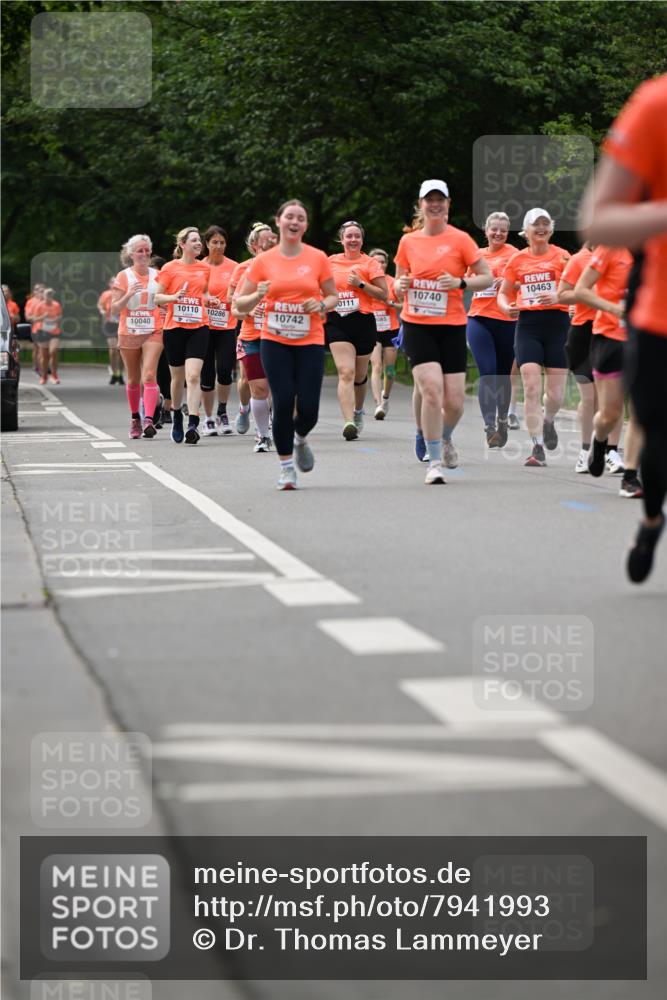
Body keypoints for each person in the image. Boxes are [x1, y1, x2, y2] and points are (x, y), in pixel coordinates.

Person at [580, 73, 667, 582]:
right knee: (656, 439)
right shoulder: (656, 103)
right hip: (659, 314)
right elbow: (597, 219)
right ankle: (652, 516)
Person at [394, 179, 492, 484]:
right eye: (429, 200)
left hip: (451, 326)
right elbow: (397, 285)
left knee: (455, 402)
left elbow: (486, 278)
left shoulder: (461, 240)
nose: (434, 204)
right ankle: (433, 461)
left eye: (440, 200)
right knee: (432, 391)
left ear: (448, 204)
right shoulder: (408, 242)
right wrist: (401, 285)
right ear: (420, 205)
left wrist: (461, 283)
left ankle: (445, 436)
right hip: (418, 324)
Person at [235, 199, 337, 489]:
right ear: (279, 221)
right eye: (289, 216)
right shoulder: (262, 262)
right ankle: (286, 468)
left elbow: (333, 297)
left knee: (308, 408)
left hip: (310, 340)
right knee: (281, 402)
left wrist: (320, 304)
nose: (294, 222)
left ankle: (300, 438)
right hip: (274, 340)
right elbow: (239, 304)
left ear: (305, 225)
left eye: (300, 218)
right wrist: (257, 296)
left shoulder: (317, 258)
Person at [498, 209, 571, 467]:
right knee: (530, 385)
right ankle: (537, 445)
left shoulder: (563, 257)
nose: (540, 228)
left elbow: (576, 291)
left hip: (558, 326)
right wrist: (506, 307)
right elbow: (504, 293)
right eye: (535, 224)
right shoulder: (517, 260)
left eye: (545, 224)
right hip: (528, 326)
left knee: (555, 395)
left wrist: (559, 297)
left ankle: (548, 419)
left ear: (550, 230)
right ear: (526, 231)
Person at [573, 245, 642, 498]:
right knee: (609, 414)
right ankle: (599, 440)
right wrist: (613, 308)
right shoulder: (610, 249)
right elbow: (580, 290)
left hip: (645, 338)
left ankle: (630, 476)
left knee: (640, 409)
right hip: (610, 338)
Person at [559, 243, 624, 474]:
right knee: (590, 397)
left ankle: (612, 451)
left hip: (612, 332)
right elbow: (563, 294)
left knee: (613, 398)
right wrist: (587, 298)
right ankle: (585, 450)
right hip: (583, 333)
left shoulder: (626, 255)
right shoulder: (580, 260)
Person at [155, 227, 218, 445]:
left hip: (199, 327)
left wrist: (209, 300)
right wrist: (174, 297)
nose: (199, 243)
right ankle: (176, 416)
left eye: (199, 240)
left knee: (193, 376)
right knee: (178, 378)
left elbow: (204, 292)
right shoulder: (170, 268)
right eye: (194, 240)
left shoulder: (204, 268)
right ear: (182, 245)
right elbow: (157, 298)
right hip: (174, 329)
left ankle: (193, 422)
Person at [326, 222, 388, 439]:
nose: (352, 240)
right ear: (341, 239)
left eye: (357, 236)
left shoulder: (369, 263)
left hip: (363, 322)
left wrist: (361, 284)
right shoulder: (330, 261)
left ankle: (359, 411)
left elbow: (383, 294)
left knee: (360, 375)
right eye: (348, 236)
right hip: (336, 321)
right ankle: (348, 421)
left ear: (361, 240)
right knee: (346, 372)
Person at [465, 211, 518, 447]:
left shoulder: (515, 255)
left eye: (503, 230)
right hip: (478, 318)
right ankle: (489, 426)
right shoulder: (476, 256)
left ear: (508, 233)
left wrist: (506, 283)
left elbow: (525, 282)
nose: (498, 233)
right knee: (488, 372)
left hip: (507, 319)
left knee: (503, 375)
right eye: (494, 229)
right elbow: (465, 283)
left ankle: (503, 420)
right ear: (486, 231)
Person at [111, 234, 164, 439]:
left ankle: (149, 419)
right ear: (131, 254)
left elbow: (163, 301)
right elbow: (115, 308)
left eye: (146, 250)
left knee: (149, 375)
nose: (144, 254)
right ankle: (135, 419)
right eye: (139, 250)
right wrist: (128, 294)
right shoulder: (123, 276)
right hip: (129, 332)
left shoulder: (158, 275)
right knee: (133, 379)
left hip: (153, 330)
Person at [230, 222, 277, 453]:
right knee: (258, 388)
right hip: (252, 337)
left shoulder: (289, 269)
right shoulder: (246, 272)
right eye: (265, 240)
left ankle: (277, 426)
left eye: (273, 239)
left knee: (278, 388)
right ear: (255, 245)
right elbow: (235, 309)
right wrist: (249, 311)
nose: (270, 244)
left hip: (281, 337)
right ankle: (263, 435)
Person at [200, 226, 238, 436]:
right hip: (204, 327)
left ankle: (222, 411)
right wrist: (206, 300)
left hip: (226, 326)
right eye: (214, 242)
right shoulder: (199, 267)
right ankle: (208, 419)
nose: (218, 246)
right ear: (207, 244)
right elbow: (193, 292)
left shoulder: (235, 267)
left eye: (222, 242)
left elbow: (242, 291)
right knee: (207, 373)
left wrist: (233, 300)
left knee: (224, 370)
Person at [367, 248, 400, 420]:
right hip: (372, 328)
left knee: (390, 370)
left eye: (383, 262)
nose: (379, 265)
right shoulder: (365, 282)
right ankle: (378, 404)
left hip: (391, 329)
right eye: (376, 261)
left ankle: (385, 398)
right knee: (376, 366)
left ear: (387, 264)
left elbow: (405, 306)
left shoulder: (393, 282)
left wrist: (391, 303)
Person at [32, 288, 63, 384]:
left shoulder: (56, 305)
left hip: (54, 332)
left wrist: (56, 319)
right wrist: (43, 317)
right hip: (42, 331)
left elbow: (60, 316)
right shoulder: (39, 306)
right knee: (44, 356)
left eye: (50, 295)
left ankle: (54, 375)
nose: (49, 297)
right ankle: (44, 376)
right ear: (43, 296)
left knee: (53, 351)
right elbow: (34, 319)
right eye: (47, 295)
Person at [97, 278, 124, 385]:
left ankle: (120, 374)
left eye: (116, 281)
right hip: (110, 324)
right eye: (112, 281)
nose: (114, 283)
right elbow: (100, 305)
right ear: (109, 284)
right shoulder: (105, 294)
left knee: (120, 351)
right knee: (113, 350)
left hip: (121, 324)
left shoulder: (123, 293)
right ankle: (114, 373)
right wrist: (102, 310)